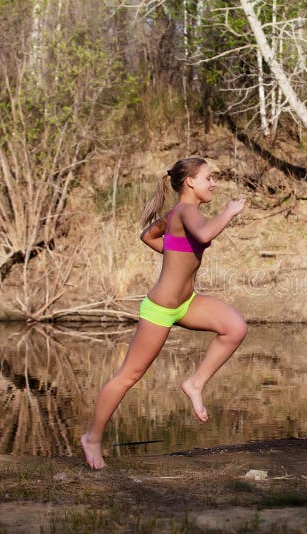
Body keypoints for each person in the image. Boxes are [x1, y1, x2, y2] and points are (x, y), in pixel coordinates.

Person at [81, 157, 247, 470]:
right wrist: (229, 211)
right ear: (191, 183)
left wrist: (174, 251)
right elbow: (205, 235)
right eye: (208, 178)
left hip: (187, 302)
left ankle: (195, 384)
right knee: (128, 376)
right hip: (160, 309)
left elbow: (148, 236)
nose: (213, 183)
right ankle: (91, 437)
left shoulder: (176, 213)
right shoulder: (186, 211)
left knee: (234, 327)